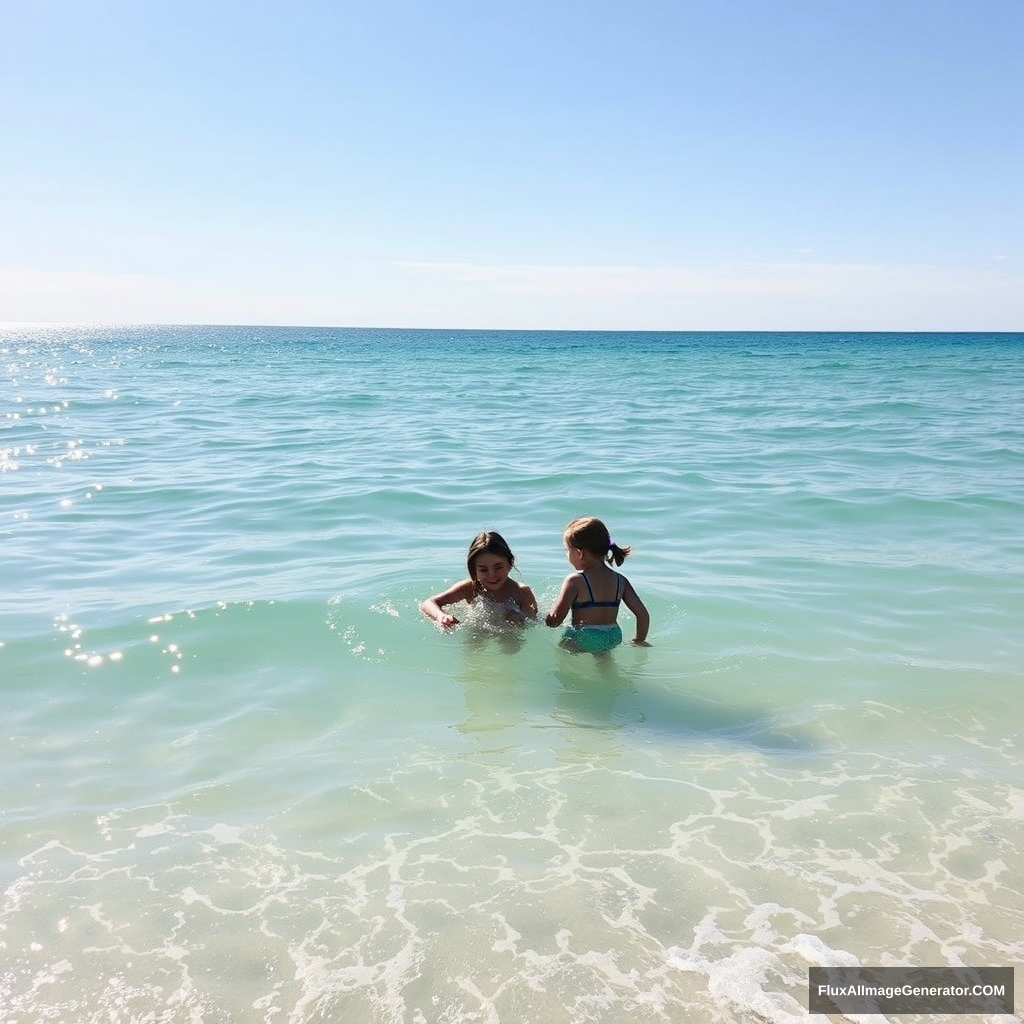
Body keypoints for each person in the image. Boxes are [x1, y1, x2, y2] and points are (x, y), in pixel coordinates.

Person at [545, 516, 650, 652]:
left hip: (584, 636)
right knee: (604, 661)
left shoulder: (575, 581)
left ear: (579, 553)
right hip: (612, 635)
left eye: (567, 551)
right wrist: (639, 640)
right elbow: (642, 614)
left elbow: (556, 620)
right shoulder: (620, 580)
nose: (567, 555)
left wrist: (544, 617)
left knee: (563, 661)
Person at [421, 531, 538, 629]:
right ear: (473, 569)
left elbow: (533, 617)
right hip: (479, 628)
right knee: (472, 650)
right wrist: (441, 616)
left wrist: (521, 616)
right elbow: (428, 603)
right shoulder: (469, 588)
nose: (492, 575)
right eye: (483, 569)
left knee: (511, 648)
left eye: (498, 567)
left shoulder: (521, 592)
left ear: (510, 563)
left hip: (508, 631)